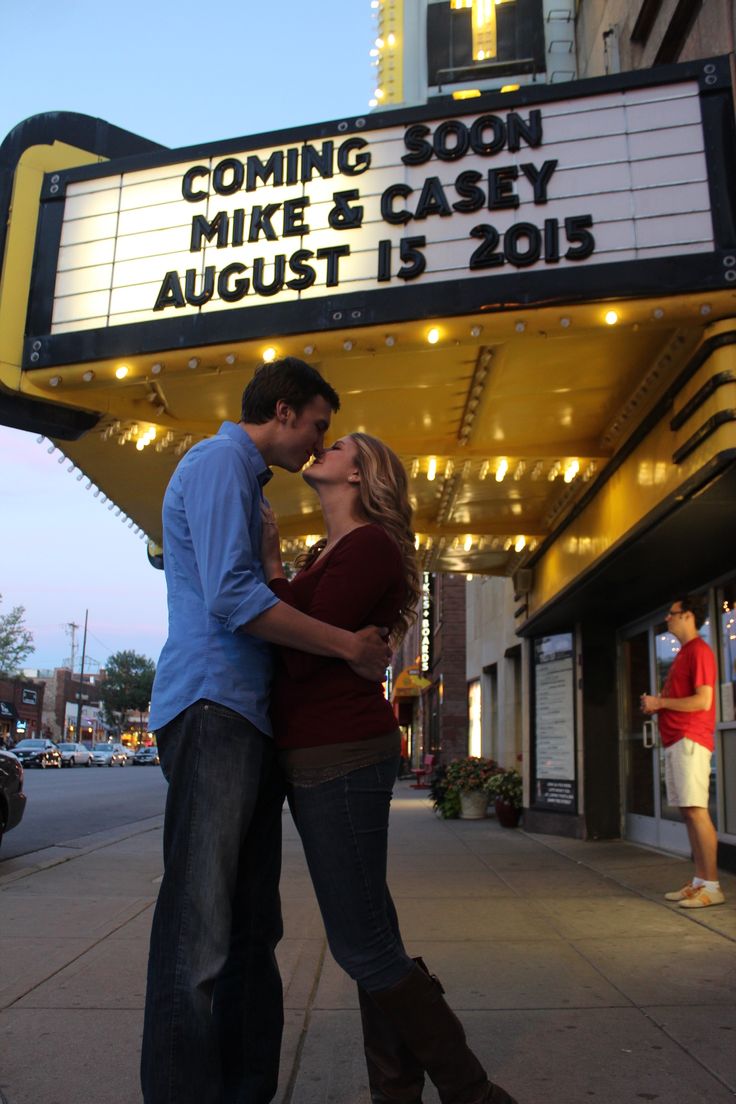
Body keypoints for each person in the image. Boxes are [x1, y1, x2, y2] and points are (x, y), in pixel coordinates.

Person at [141, 358, 392, 1104]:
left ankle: (246, 1088)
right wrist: (348, 647)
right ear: (284, 411)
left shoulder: (246, 485)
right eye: (317, 424)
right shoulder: (220, 461)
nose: (318, 443)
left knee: (252, 929)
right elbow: (231, 596)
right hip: (212, 707)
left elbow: (250, 589)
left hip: (246, 717)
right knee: (199, 930)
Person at [261, 431, 518, 1104]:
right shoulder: (330, 549)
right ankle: (397, 1091)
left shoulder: (369, 544)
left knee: (362, 946)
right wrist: (326, 633)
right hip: (324, 753)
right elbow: (309, 637)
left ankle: (473, 1092)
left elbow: (291, 651)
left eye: (339, 444)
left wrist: (267, 567)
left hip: (338, 757)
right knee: (375, 934)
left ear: (362, 472)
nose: (321, 446)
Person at [641, 595, 724, 909]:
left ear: (688, 616)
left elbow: (703, 701)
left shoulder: (699, 652)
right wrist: (658, 704)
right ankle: (701, 880)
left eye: (672, 613)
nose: (667, 618)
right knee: (689, 812)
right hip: (677, 740)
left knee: (697, 811)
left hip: (691, 740)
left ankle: (712, 886)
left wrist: (659, 703)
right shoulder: (685, 654)